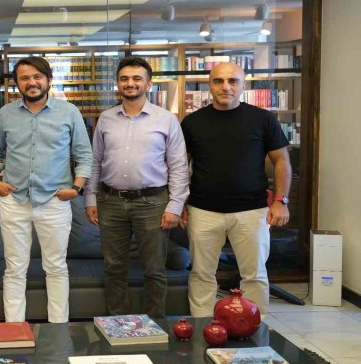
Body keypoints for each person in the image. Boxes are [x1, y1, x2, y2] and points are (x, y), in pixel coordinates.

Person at [0, 56, 93, 323]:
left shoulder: (69, 112)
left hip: (55, 200)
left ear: (48, 80)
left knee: (56, 267)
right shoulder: (6, 113)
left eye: (37, 77)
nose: (31, 82)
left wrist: (77, 189)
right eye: (24, 78)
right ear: (17, 83)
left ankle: (58, 329)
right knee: (14, 269)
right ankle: (14, 331)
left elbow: (84, 154)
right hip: (14, 199)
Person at [181, 62, 291, 317]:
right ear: (209, 85)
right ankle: (203, 326)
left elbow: (281, 161)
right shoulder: (192, 122)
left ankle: (254, 327)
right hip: (203, 210)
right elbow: (179, 166)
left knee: (254, 275)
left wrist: (280, 200)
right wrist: (180, 204)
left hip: (252, 210)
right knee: (201, 273)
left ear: (244, 85)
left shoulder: (263, 119)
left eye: (233, 81)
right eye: (218, 81)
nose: (226, 87)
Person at [84, 56, 189, 319]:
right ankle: (118, 324)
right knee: (114, 268)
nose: (130, 83)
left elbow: (178, 166)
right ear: (117, 83)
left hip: (153, 203)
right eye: (124, 79)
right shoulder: (106, 118)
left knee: (154, 269)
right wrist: (90, 198)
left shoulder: (166, 120)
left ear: (148, 84)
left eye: (136, 78)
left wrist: (175, 206)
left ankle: (156, 325)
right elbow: (95, 161)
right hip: (110, 201)